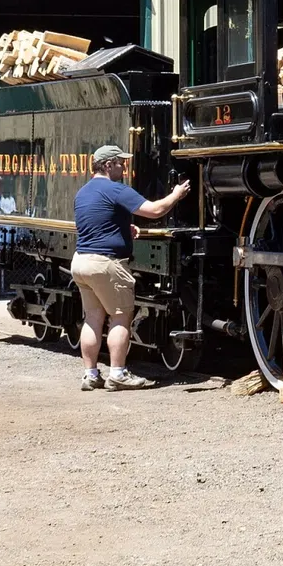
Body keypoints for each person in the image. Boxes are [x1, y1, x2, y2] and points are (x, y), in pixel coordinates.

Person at [71, 144, 190, 390]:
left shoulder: (82, 192)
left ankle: (90, 375)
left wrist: (123, 228)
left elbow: (96, 222)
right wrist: (177, 194)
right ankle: (118, 373)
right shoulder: (116, 190)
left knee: (92, 319)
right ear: (107, 165)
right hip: (106, 264)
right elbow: (156, 210)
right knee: (120, 318)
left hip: (81, 260)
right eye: (120, 162)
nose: (124, 166)